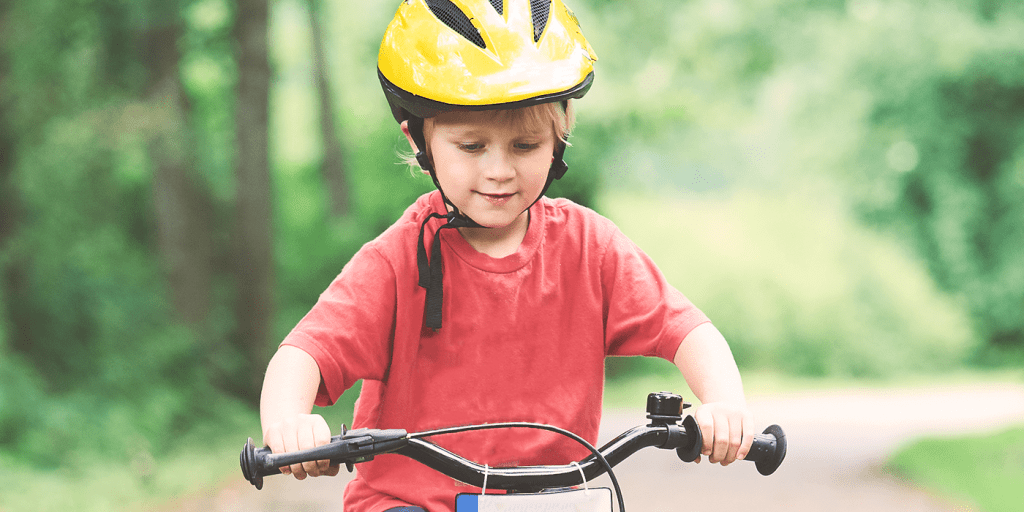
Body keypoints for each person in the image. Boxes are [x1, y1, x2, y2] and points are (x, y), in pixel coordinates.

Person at [259, 0, 754, 510]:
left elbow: (688, 330)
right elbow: (303, 355)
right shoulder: (398, 259)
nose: (499, 170)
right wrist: (289, 423)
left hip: (551, 500)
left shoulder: (590, 248)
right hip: (408, 503)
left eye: (525, 146)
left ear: (559, 138)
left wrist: (724, 405)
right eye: (471, 147)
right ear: (420, 141)